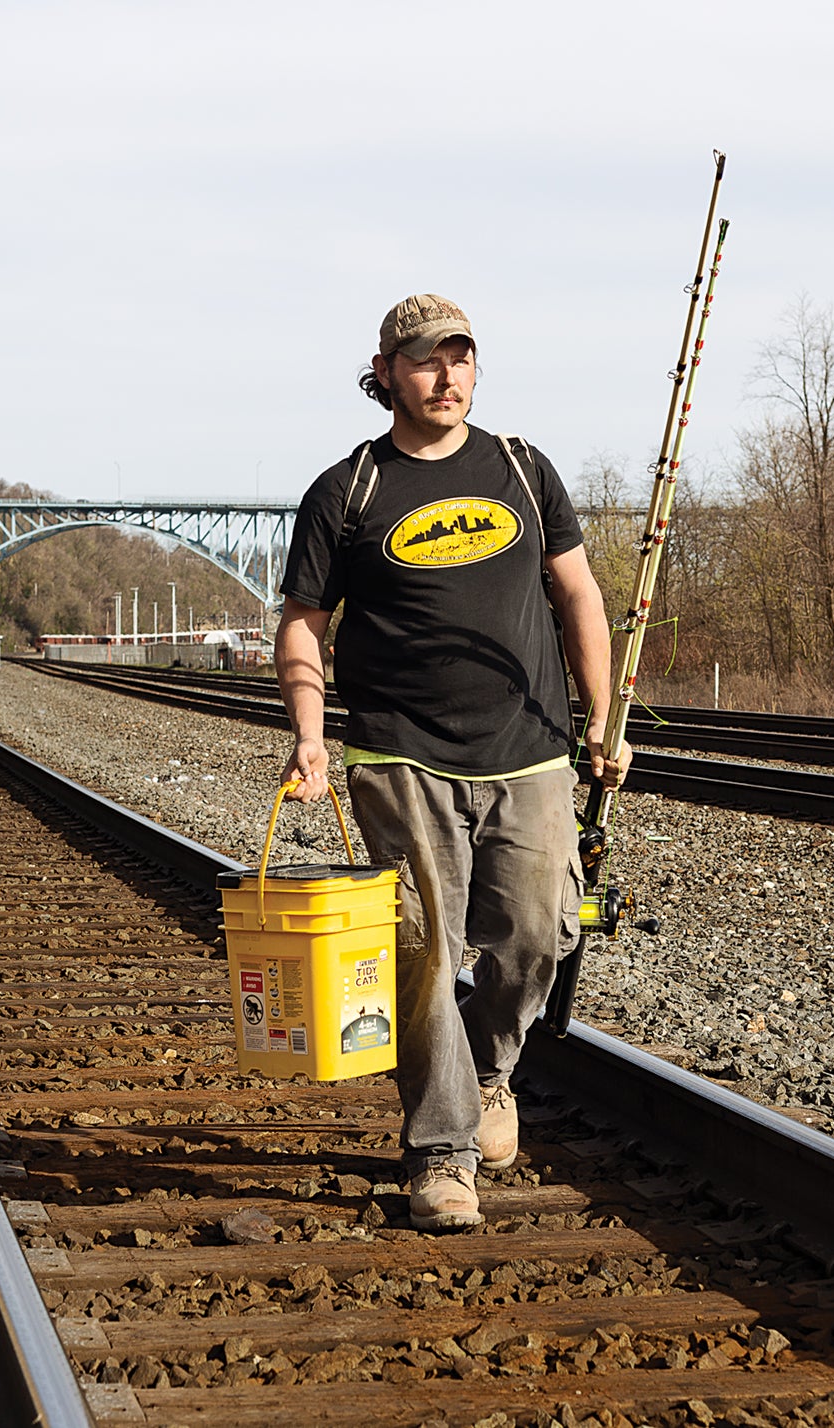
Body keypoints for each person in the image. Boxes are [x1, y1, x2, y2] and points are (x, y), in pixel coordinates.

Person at [275, 293, 629, 1231]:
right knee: (427, 952)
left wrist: (605, 714)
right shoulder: (347, 491)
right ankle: (440, 1149)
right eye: (428, 360)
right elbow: (304, 626)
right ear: (387, 372)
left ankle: (491, 1073)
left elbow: (579, 593)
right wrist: (311, 734)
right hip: (401, 751)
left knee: (536, 932)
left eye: (461, 357)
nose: (448, 375)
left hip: (530, 749)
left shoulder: (522, 467)